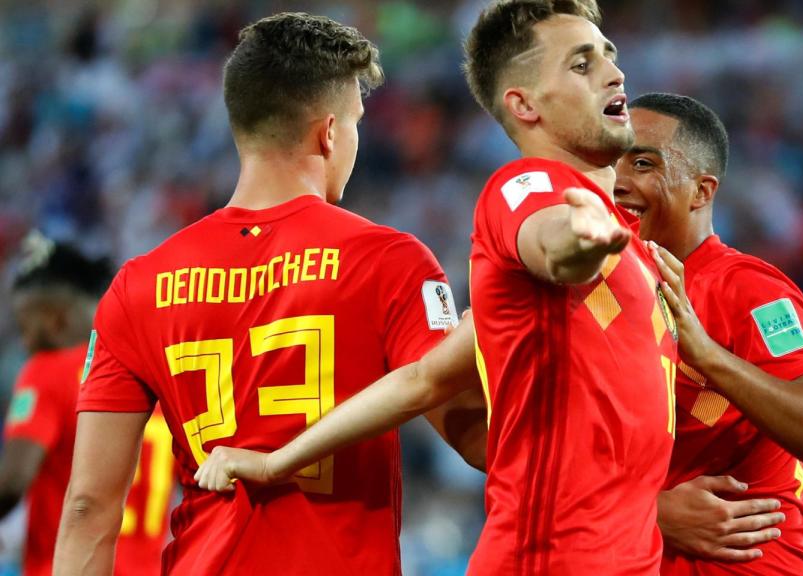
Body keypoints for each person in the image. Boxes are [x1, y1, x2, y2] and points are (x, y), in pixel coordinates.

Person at [197, 1, 680, 574]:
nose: (613, 72)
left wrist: (278, 463)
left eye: (608, 54)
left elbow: (424, 379)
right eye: (581, 64)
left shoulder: (626, 243)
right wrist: (578, 241)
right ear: (524, 105)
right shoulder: (526, 187)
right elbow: (552, 241)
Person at [52, 12, 479, 575]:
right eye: (354, 122)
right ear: (329, 132)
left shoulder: (138, 284)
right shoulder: (387, 260)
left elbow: (88, 507)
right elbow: (477, 439)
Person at [614, 93, 803, 574]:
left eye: (643, 164)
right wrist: (648, 511)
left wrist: (707, 356)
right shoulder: (592, 299)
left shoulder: (747, 290)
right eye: (612, 164)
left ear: (701, 191)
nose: (619, 183)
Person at [0, 233, 174, 576]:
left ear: (55, 321)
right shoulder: (152, 371)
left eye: (25, 328)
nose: (24, 341)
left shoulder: (48, 370)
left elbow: (14, 479)